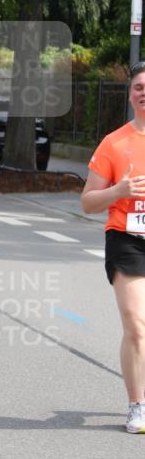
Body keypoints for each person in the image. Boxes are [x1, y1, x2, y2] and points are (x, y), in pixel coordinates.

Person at [81, 62, 145, 434]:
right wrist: (118, 192)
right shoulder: (114, 143)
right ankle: (137, 404)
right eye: (138, 87)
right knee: (136, 325)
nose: (144, 92)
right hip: (127, 239)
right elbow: (88, 202)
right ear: (131, 94)